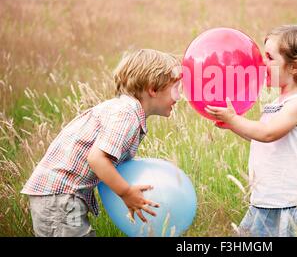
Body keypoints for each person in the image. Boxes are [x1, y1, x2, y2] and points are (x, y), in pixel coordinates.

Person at [21, 49, 182, 237]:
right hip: (59, 197)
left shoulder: (126, 111)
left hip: (59, 196)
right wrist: (126, 193)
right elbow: (97, 159)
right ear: (153, 89)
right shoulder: (126, 115)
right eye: (175, 89)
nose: (179, 97)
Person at [206, 24, 297, 237]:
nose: (260, 63)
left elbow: (267, 133)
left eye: (269, 57)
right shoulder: (277, 102)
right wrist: (233, 125)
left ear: (296, 66)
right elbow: (261, 137)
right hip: (269, 199)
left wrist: (234, 119)